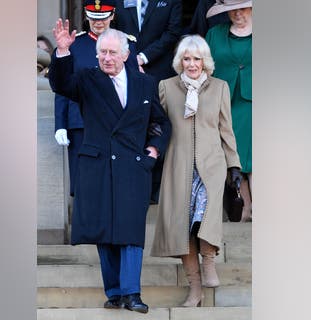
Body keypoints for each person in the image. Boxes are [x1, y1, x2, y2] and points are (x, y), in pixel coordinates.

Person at [49, 19, 171, 313]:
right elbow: (60, 84)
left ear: (126, 55)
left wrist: (153, 151)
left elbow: (160, 122)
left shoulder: (145, 83)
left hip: (133, 167)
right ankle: (115, 291)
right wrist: (63, 52)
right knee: (103, 231)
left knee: (130, 231)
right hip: (98, 166)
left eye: (112, 53)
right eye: (102, 52)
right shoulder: (87, 80)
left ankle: (132, 293)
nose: (106, 58)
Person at [150, 35, 242, 307]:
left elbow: (226, 129)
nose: (192, 64)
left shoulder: (220, 87)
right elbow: (158, 125)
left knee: (205, 212)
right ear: (180, 61)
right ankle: (195, 288)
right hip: (179, 166)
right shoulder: (166, 87)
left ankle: (209, 260)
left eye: (197, 59)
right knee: (183, 227)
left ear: (205, 61)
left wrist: (233, 164)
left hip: (212, 164)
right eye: (187, 59)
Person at [53, 0, 138, 196]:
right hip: (80, 123)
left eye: (102, 18)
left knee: (115, 186)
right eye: (93, 18)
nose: (98, 23)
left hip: (116, 125)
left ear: (113, 16)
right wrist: (60, 123)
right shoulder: (75, 45)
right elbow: (63, 87)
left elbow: (135, 86)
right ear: (86, 16)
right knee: (84, 185)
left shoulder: (127, 44)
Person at [113, 0, 183, 204]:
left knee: (159, 126)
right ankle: (132, 188)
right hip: (124, 71)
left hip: (160, 73)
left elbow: (173, 32)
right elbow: (113, 32)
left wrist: (143, 57)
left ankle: (157, 189)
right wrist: (129, 59)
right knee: (131, 126)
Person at [206, 0, 252, 222]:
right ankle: (245, 208)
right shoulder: (215, 34)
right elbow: (205, 66)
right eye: (232, 9)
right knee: (236, 156)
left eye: (242, 8)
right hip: (225, 103)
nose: (237, 13)